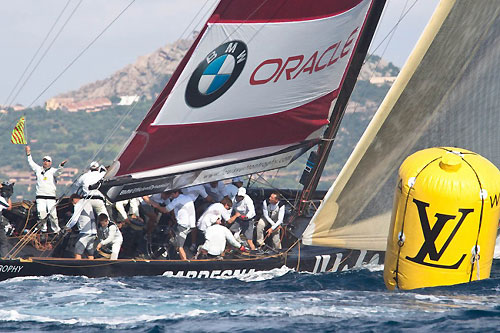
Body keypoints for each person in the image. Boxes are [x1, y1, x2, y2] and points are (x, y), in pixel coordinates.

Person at [25, 145, 66, 234]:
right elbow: (31, 163)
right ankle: (43, 229)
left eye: (47, 161)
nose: (45, 162)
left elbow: (58, 172)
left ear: (50, 163)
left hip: (51, 196)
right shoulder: (38, 169)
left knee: (53, 214)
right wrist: (28, 154)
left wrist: (61, 166)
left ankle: (56, 230)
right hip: (40, 196)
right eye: (44, 160)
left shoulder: (53, 171)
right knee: (41, 213)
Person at [148, 190, 195, 260]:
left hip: (183, 226)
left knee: (179, 246)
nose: (171, 196)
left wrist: (156, 205)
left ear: (177, 193)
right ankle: (155, 256)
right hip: (189, 225)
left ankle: (185, 264)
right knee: (170, 240)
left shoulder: (177, 200)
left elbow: (165, 210)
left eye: (172, 194)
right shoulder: (188, 198)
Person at [65, 194, 97, 259]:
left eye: (72, 202)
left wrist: (68, 227)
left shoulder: (78, 204)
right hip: (93, 232)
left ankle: (77, 268)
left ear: (74, 199)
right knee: (90, 252)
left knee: (77, 250)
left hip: (85, 232)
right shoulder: (87, 203)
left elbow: (75, 218)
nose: (72, 204)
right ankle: (92, 267)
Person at [0, 183, 12, 257]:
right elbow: (9, 207)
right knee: (3, 241)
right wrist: (8, 197)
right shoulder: (1, 199)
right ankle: (4, 258)